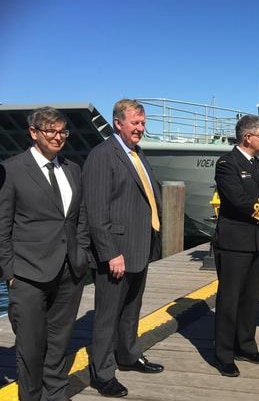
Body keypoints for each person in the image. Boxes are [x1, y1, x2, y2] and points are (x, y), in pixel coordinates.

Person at [0, 107, 94, 401]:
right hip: (27, 275)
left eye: (62, 131)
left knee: (59, 344)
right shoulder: (13, 170)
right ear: (33, 133)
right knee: (30, 348)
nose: (58, 137)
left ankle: (56, 395)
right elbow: (3, 225)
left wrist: (81, 253)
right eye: (50, 131)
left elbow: (79, 217)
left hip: (69, 272)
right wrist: (10, 273)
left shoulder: (72, 169)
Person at [83, 99, 163, 398]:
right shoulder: (103, 155)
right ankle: (102, 374)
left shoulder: (136, 154)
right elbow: (95, 209)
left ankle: (128, 355)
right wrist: (109, 252)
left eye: (143, 123)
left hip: (139, 248)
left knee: (132, 309)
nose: (141, 129)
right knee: (107, 316)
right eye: (135, 123)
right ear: (118, 123)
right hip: (116, 252)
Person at [212, 115, 259, 377]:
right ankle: (223, 354)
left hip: (255, 241)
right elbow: (239, 200)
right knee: (230, 299)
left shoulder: (256, 164)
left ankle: (246, 344)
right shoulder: (226, 164)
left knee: (251, 299)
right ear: (247, 137)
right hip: (233, 243)